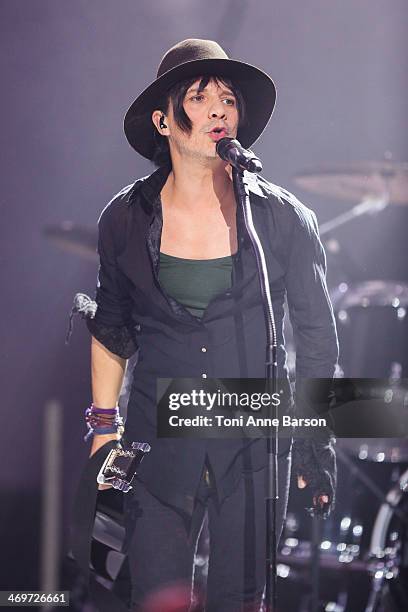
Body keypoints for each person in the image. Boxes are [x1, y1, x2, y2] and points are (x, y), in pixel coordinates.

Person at [83, 38, 338, 611]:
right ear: (163, 120)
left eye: (228, 99)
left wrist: (314, 437)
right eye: (199, 97)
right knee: (155, 597)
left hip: (253, 444)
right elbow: (112, 324)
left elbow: (319, 341)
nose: (219, 110)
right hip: (157, 443)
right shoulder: (124, 219)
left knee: (240, 599)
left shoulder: (283, 218)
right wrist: (104, 429)